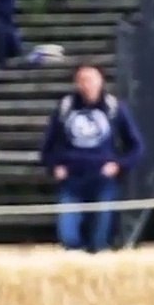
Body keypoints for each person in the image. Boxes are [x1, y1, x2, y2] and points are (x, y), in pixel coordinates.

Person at [39, 63, 145, 252]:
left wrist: (119, 165)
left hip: (103, 181)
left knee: (100, 238)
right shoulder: (65, 108)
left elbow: (136, 146)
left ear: (101, 81)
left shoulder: (114, 108)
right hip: (71, 181)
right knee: (68, 235)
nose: (86, 85)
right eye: (82, 80)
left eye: (90, 79)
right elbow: (47, 148)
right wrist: (54, 166)